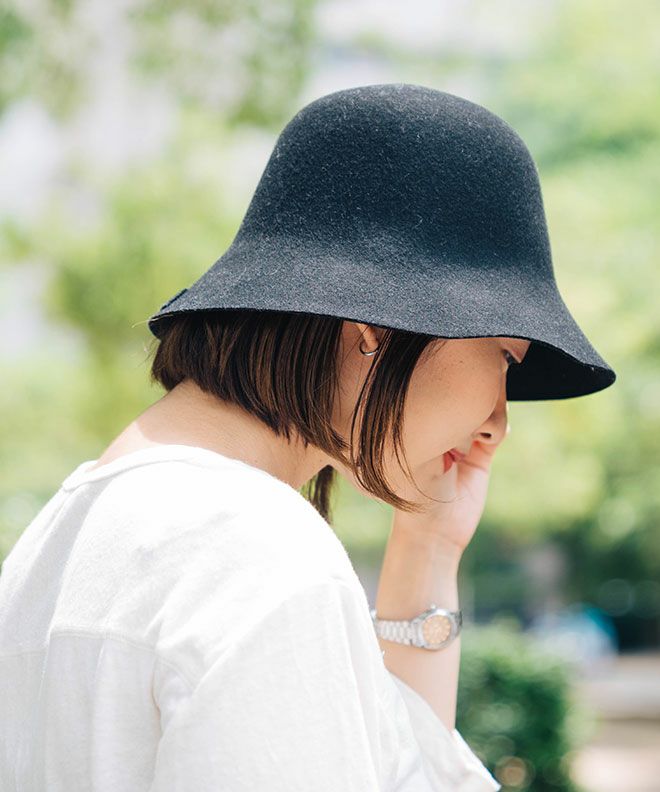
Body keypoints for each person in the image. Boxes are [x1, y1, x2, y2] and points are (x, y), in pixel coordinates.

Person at [0, 83, 615, 791]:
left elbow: (401, 764)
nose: (497, 421)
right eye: (505, 356)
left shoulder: (58, 541)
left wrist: (429, 547)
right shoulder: (255, 550)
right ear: (374, 327)